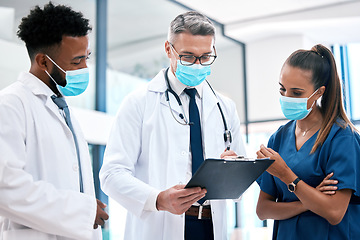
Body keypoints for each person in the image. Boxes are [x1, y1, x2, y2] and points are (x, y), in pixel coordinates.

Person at [100, 11, 246, 240]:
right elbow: (111, 174)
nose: (198, 65)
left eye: (205, 57)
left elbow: (240, 182)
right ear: (169, 49)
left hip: (211, 226)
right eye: (188, 57)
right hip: (160, 225)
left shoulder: (224, 107)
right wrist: (157, 199)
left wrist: (233, 170)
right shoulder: (139, 102)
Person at [0, 2, 108, 240]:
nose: (85, 68)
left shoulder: (61, 109)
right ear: (43, 62)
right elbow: (5, 187)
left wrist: (85, 206)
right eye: (76, 62)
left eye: (87, 57)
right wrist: (80, 211)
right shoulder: (10, 105)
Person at [255, 44, 360, 239]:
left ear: (319, 92)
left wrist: (287, 176)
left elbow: (334, 212)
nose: (286, 98)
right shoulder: (278, 138)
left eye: (296, 93)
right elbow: (263, 210)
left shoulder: (342, 138)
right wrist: (308, 201)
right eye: (282, 89)